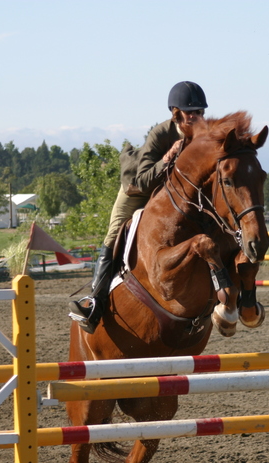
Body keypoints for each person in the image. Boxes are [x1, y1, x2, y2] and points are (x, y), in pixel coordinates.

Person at [69, 81, 208, 333]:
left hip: (170, 194)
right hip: (137, 189)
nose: (197, 117)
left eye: (200, 112)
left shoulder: (204, 134)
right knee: (114, 233)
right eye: (191, 113)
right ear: (176, 114)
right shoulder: (160, 134)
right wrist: (168, 157)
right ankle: (95, 303)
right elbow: (143, 180)